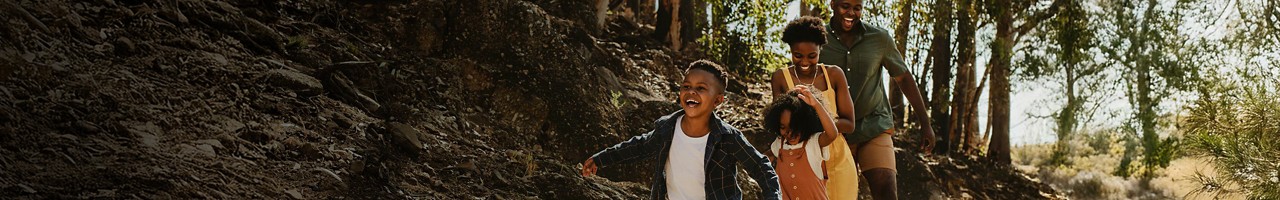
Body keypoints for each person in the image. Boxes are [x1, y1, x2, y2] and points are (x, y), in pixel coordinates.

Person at [581, 60, 782, 200]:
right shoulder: (666, 128)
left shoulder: (728, 138)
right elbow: (639, 147)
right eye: (686, 86)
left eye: (701, 88)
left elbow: (761, 166)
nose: (691, 92)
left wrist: (773, 196)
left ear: (718, 100)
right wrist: (601, 158)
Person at [821, 0, 938, 199]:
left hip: (873, 124)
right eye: (845, 6)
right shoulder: (817, 38)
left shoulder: (879, 39)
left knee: (886, 188)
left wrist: (925, 123)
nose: (851, 13)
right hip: (834, 129)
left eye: (857, 8)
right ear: (832, 4)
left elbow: (904, 78)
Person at [770, 16, 861, 200]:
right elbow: (780, 124)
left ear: (821, 49)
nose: (804, 62)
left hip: (837, 158)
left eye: (812, 56)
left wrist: (816, 126)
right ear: (790, 50)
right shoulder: (780, 77)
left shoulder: (834, 74)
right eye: (798, 55)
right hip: (801, 161)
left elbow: (849, 124)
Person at [763, 86, 845, 200]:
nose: (788, 133)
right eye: (783, 127)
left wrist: (816, 106)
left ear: (806, 124)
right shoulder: (780, 144)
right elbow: (769, 155)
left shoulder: (813, 143)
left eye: (794, 127)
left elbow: (832, 134)